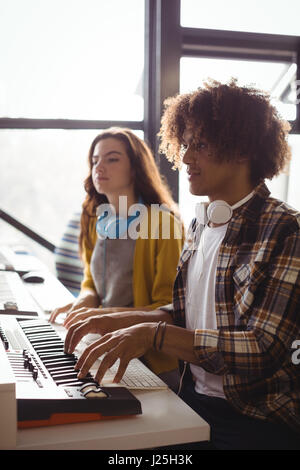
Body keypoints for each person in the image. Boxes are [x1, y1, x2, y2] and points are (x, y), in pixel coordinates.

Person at [63, 81, 300, 450]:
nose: (186, 158)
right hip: (191, 398)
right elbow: (189, 314)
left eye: (200, 145)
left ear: (241, 149)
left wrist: (151, 335)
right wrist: (119, 320)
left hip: (253, 418)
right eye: (185, 145)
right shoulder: (202, 222)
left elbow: (262, 347)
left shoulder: (285, 229)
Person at [50, 127, 184, 381]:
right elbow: (91, 283)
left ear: (135, 168)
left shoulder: (162, 223)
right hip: (104, 344)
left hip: (151, 361)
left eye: (112, 159)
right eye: (95, 160)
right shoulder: (95, 219)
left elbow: (169, 307)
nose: (99, 167)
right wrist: (82, 305)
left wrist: (98, 316)